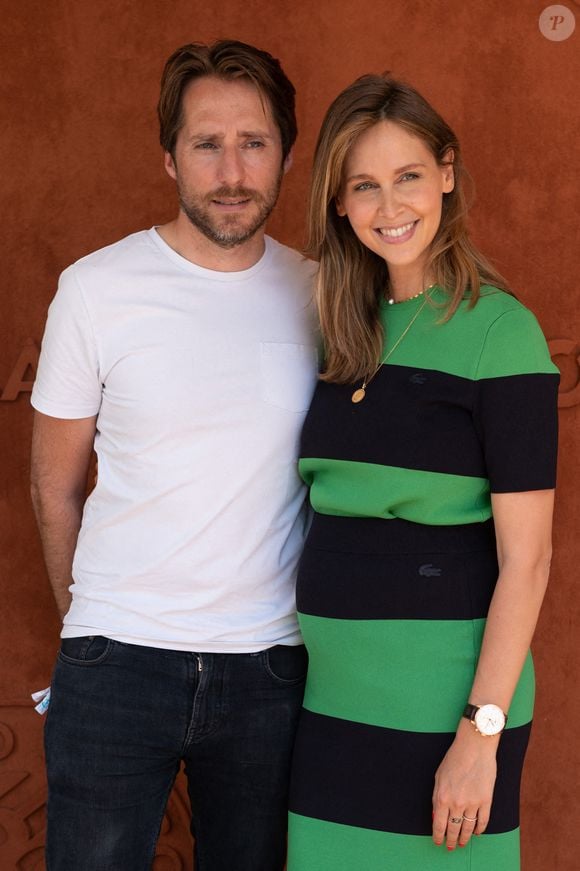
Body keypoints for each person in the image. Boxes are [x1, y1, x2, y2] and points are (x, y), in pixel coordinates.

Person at [30, 40, 318, 871]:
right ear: (169, 156)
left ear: (286, 154)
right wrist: (88, 635)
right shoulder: (95, 289)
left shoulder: (321, 292)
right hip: (114, 658)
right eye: (206, 143)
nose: (232, 170)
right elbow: (55, 487)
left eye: (254, 143)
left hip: (272, 669)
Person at [287, 74, 559, 870]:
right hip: (333, 707)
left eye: (408, 175)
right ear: (339, 202)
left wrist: (482, 732)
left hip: (447, 708)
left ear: (447, 171)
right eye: (363, 185)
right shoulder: (341, 330)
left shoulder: (501, 334)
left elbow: (529, 559)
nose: (389, 205)